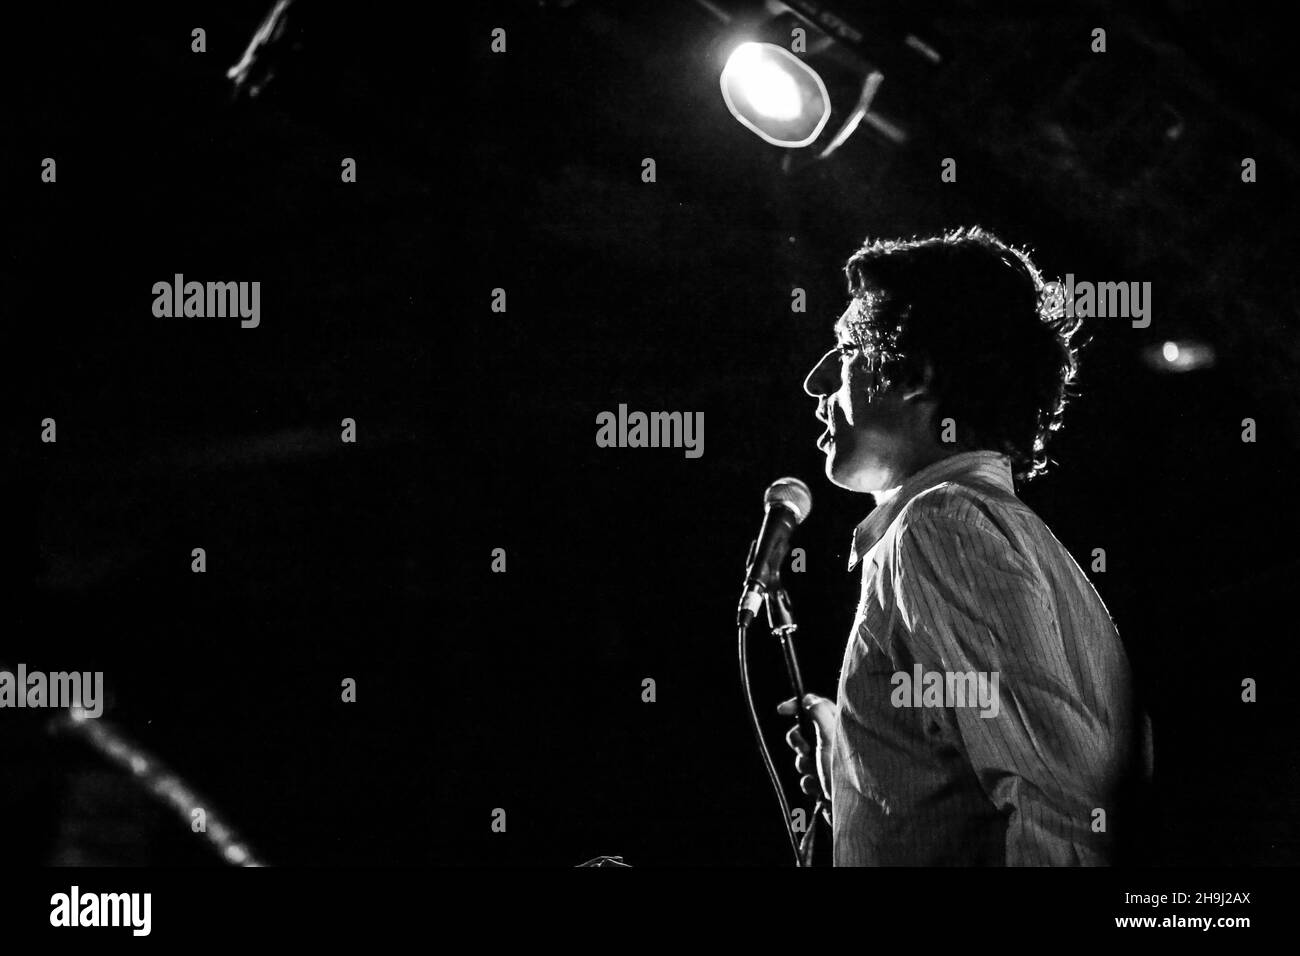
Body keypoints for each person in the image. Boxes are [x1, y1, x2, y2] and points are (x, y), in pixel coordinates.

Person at [781, 227, 1151, 865]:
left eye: (843, 350)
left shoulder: (940, 525)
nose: (817, 384)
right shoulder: (972, 526)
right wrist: (862, 770)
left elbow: (1065, 812)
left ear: (916, 375)